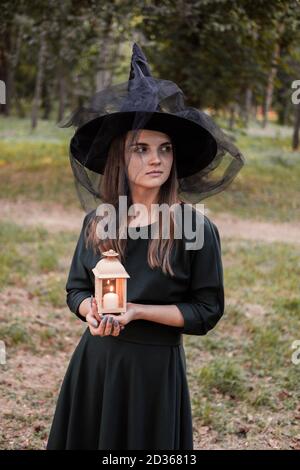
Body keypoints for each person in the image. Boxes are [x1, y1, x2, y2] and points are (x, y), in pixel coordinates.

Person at [46, 43, 245, 450]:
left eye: (165, 149)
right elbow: (75, 290)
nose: (156, 159)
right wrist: (90, 311)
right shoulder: (99, 221)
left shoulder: (194, 227)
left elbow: (206, 311)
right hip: (96, 365)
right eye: (142, 148)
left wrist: (137, 311)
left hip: (153, 370)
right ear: (120, 156)